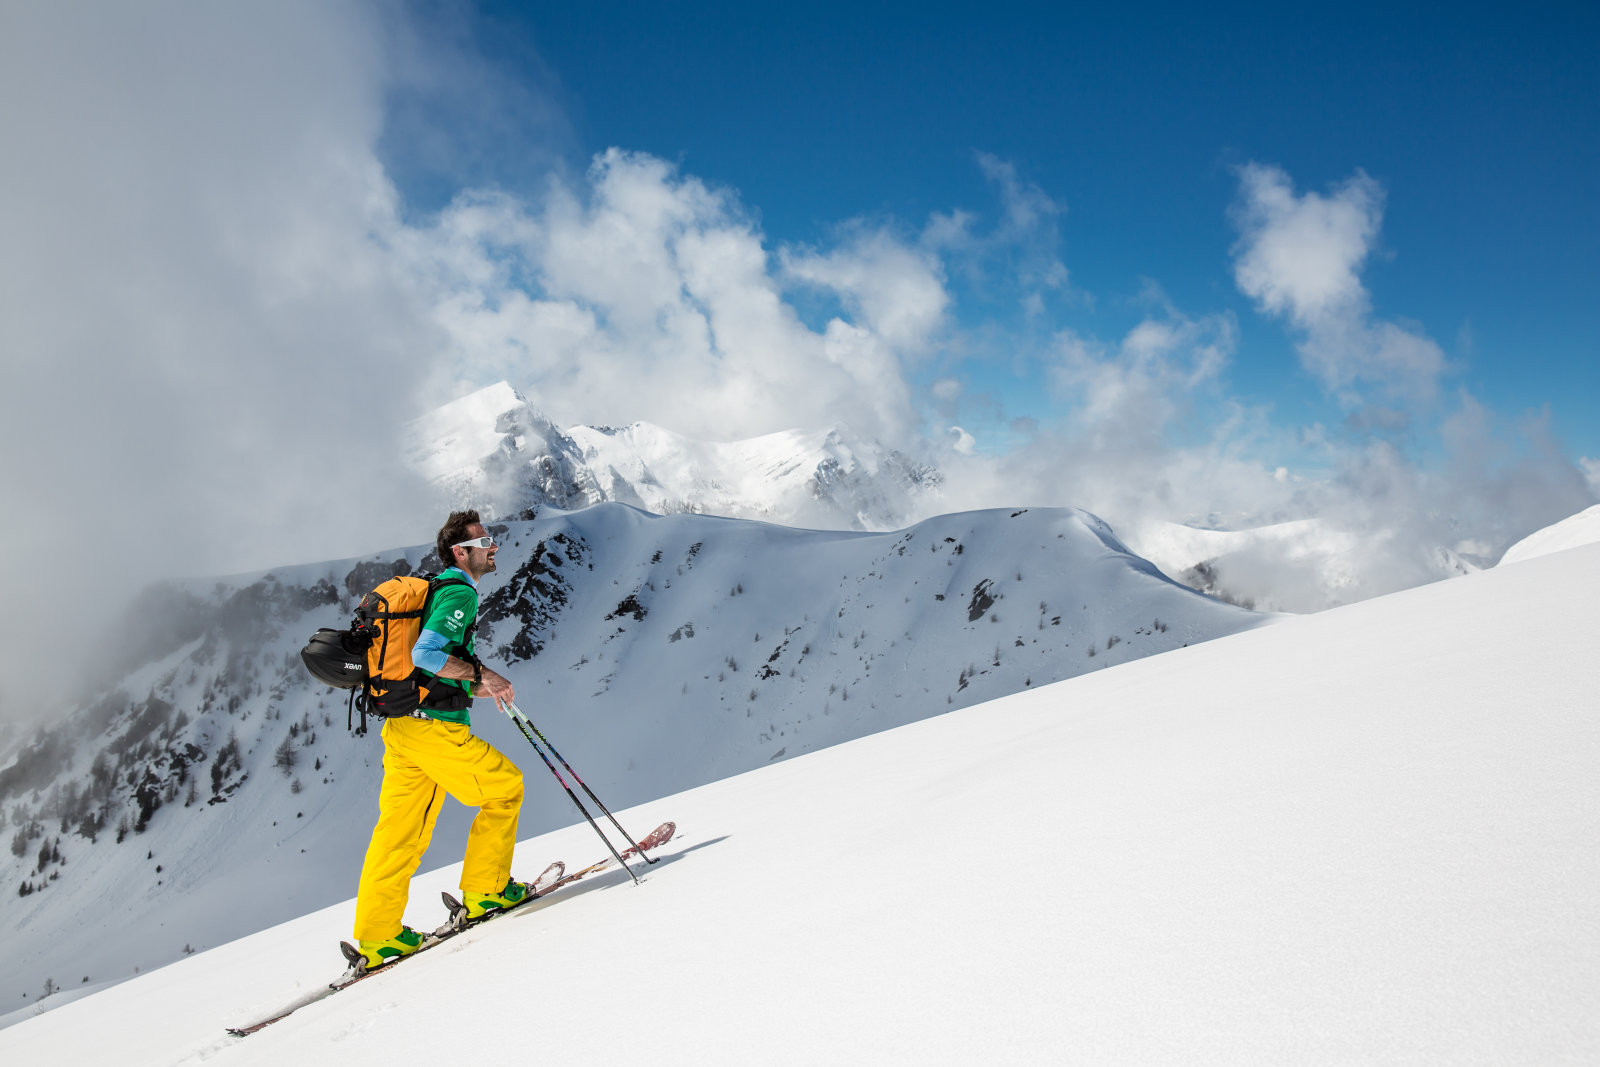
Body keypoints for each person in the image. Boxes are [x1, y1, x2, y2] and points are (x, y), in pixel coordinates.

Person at [350, 510, 527, 968]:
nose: (493, 546)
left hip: (403, 727)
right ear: (460, 552)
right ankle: (486, 892)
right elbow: (426, 653)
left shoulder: (434, 588)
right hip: (433, 728)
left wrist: (473, 684)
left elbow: (429, 663)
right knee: (505, 788)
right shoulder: (459, 592)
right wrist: (482, 673)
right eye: (484, 539)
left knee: (399, 833)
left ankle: (378, 936)